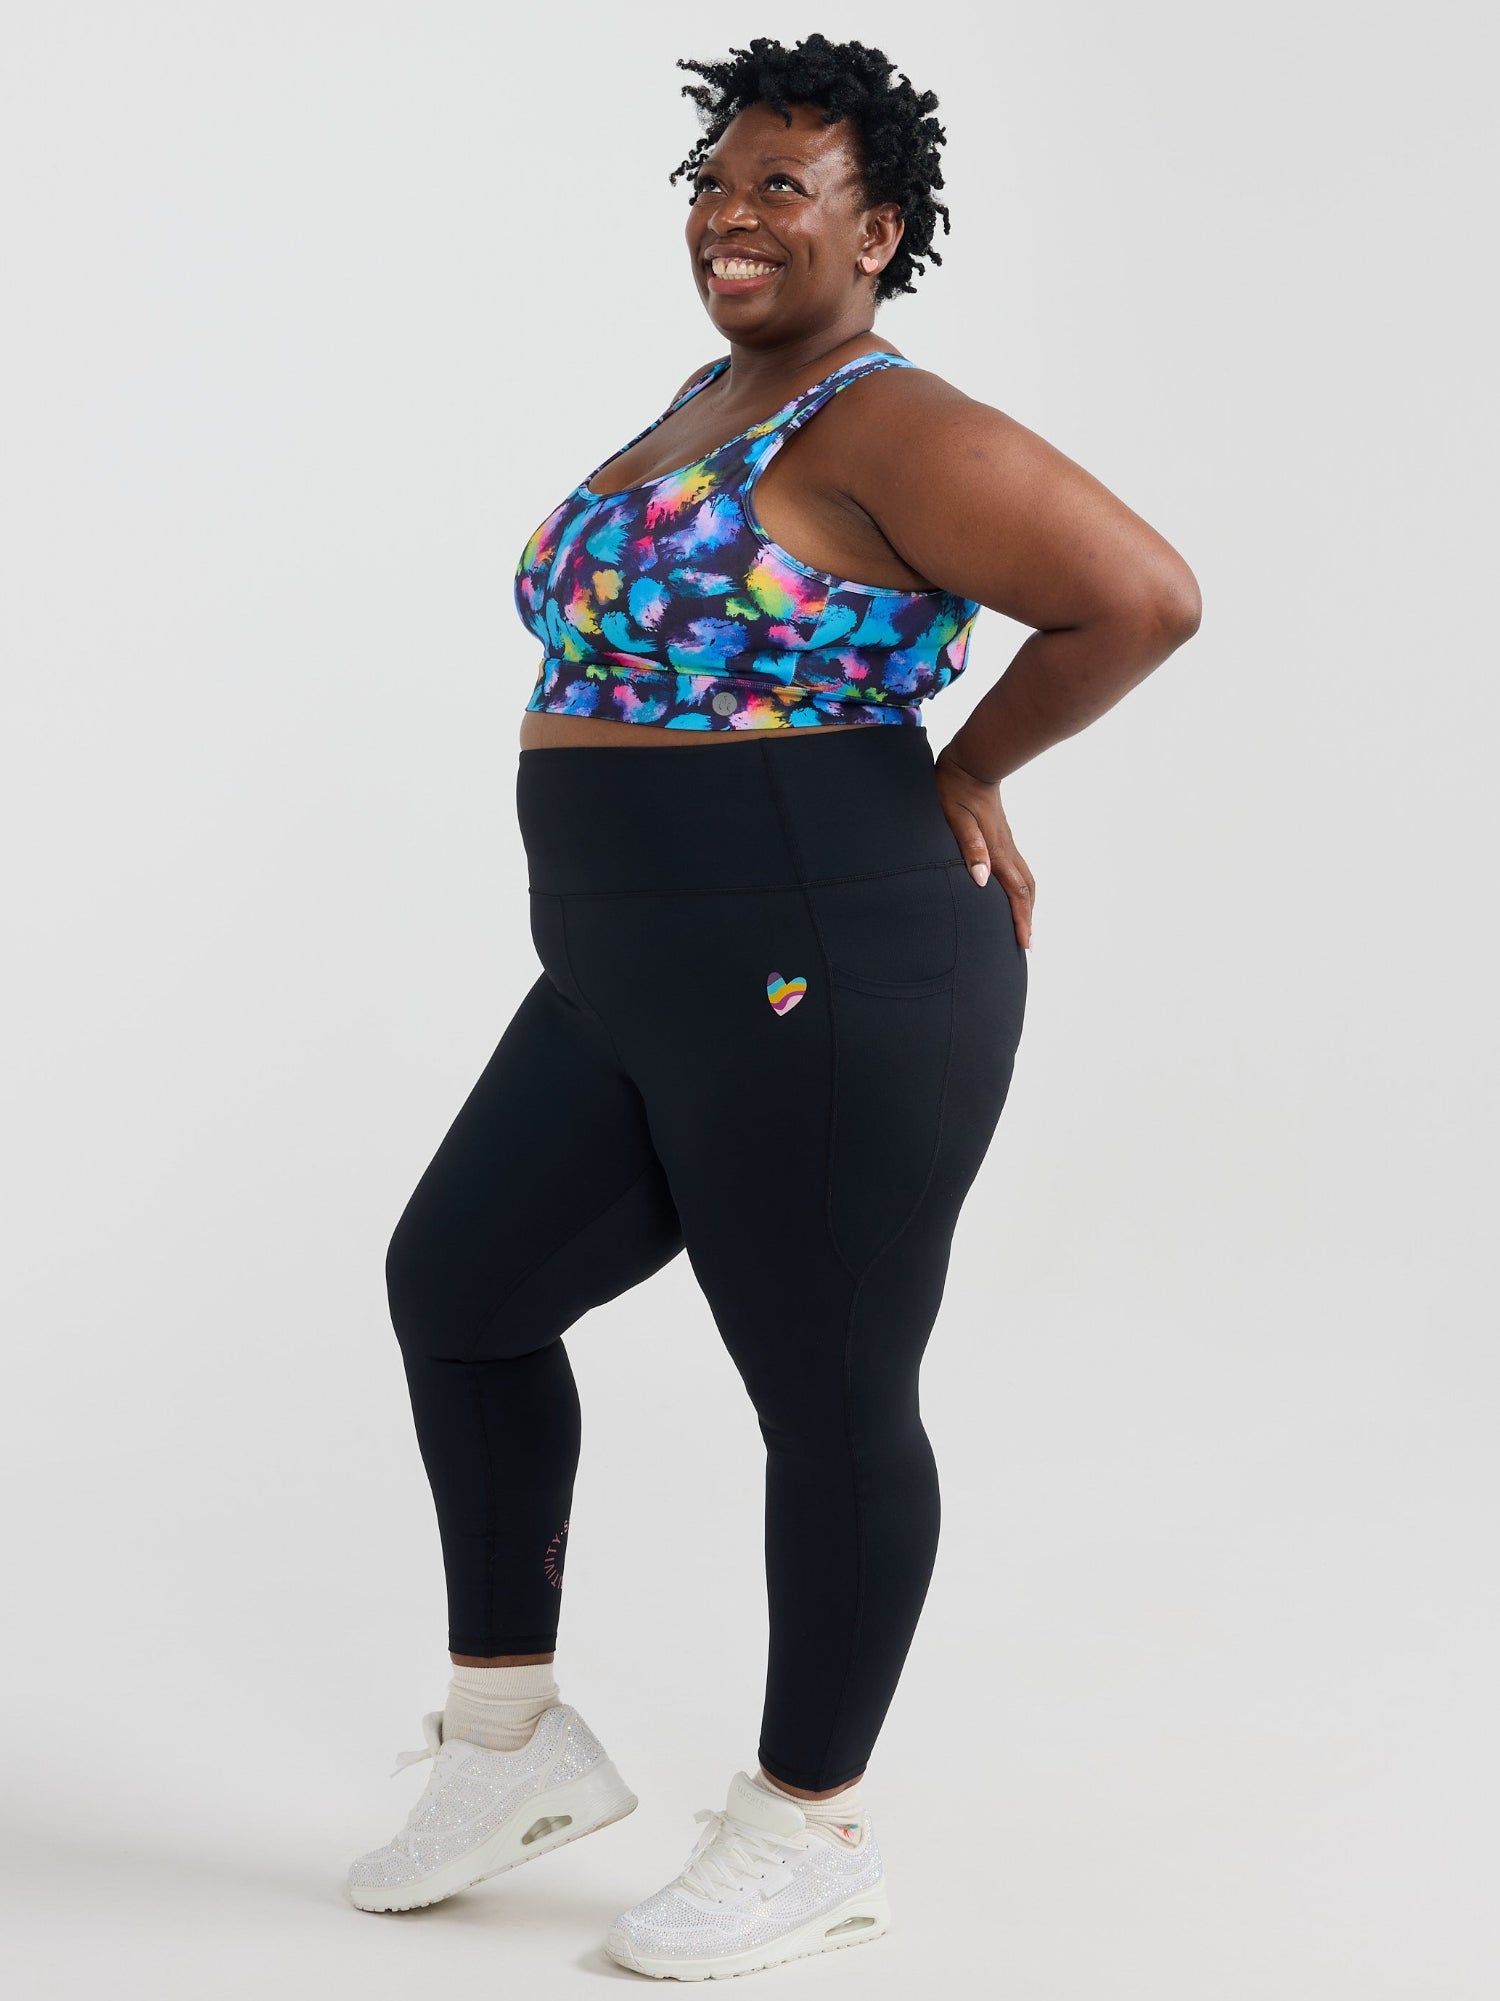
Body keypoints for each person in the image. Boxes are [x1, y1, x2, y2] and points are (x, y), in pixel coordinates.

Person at [345, 31, 1201, 1983]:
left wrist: (969, 766)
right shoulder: (715, 396)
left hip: (832, 961)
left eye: (783, 189)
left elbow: (1142, 591)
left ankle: (811, 1826)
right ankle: (507, 1748)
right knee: (458, 1287)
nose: (733, 217)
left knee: (826, 1395)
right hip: (627, 968)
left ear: (875, 229)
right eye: (715, 185)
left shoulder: (894, 421)